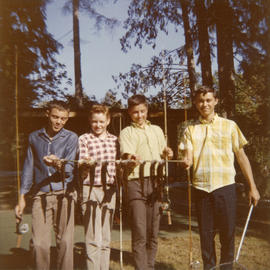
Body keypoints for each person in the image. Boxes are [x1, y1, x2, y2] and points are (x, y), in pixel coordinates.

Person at [179, 86, 260, 270]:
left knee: (227, 235)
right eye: (200, 101)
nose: (204, 104)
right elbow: (188, 157)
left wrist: (252, 187)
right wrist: (186, 162)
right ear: (195, 103)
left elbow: (241, 157)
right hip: (201, 189)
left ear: (215, 100)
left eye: (208, 100)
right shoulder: (190, 129)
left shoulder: (229, 125)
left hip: (225, 187)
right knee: (206, 238)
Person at [15, 100, 78, 270]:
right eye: (55, 117)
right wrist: (21, 198)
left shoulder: (72, 138)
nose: (59, 122)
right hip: (40, 195)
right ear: (47, 114)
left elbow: (70, 170)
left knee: (65, 242)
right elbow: (28, 169)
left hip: (64, 194)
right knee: (39, 244)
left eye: (63, 119)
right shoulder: (34, 137)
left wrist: (58, 164)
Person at [119, 94, 173, 270]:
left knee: (153, 231)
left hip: (156, 182)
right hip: (136, 182)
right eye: (135, 112)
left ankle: (150, 266)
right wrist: (131, 157)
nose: (139, 115)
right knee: (140, 230)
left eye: (142, 111)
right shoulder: (126, 132)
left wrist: (167, 153)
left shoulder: (157, 130)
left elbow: (163, 152)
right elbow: (126, 154)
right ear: (129, 113)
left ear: (147, 110)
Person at [78, 104, 118, 270]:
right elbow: (81, 163)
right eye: (95, 121)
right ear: (90, 121)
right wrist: (85, 165)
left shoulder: (115, 140)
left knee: (106, 236)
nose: (98, 125)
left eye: (101, 121)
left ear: (108, 121)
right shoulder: (84, 139)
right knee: (93, 237)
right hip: (91, 189)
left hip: (110, 190)